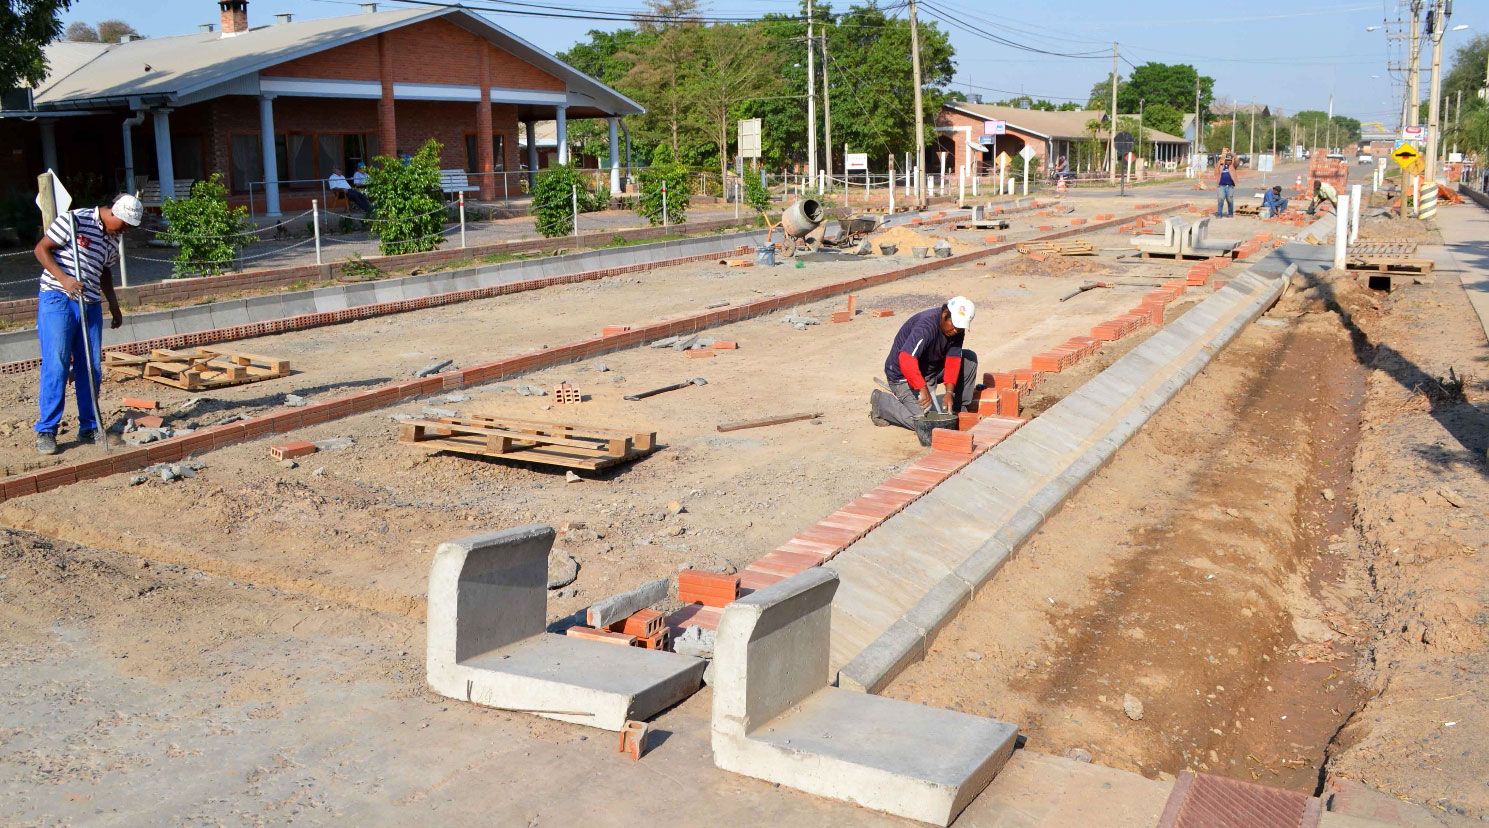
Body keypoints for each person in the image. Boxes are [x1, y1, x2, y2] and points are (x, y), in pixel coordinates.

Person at [32, 193, 137, 454]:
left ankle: (89, 425)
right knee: (56, 363)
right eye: (123, 224)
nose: (124, 230)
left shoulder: (113, 238)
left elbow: (105, 271)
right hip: (58, 297)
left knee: (90, 367)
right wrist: (65, 279)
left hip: (89, 304)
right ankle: (46, 430)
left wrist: (113, 304)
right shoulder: (73, 220)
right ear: (113, 212)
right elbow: (41, 249)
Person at [869, 297, 979, 432]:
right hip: (903, 376)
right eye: (955, 325)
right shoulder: (926, 325)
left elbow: (953, 359)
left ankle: (956, 408)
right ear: (944, 314)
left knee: (969, 359)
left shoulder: (957, 330)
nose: (956, 330)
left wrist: (950, 392)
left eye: (961, 328)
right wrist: (922, 388)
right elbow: (906, 359)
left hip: (930, 370)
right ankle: (882, 403)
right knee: (927, 423)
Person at [1214, 148, 1237, 218]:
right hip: (1221, 186)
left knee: (1230, 200)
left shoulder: (1233, 166)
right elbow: (1216, 167)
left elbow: (1237, 161)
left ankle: (1230, 213)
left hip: (1230, 186)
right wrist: (1223, 156)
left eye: (1230, 160)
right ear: (1225, 160)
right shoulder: (1221, 165)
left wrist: (1233, 155)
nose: (1229, 161)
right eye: (1227, 160)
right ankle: (1219, 214)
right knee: (1220, 199)